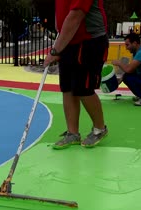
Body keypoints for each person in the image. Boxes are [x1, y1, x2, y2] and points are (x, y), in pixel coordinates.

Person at [43, 0, 109, 149]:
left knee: (83, 88)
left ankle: (100, 129)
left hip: (89, 41)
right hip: (69, 40)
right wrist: (60, 44)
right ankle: (73, 133)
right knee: (67, 87)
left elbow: (75, 16)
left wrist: (56, 50)